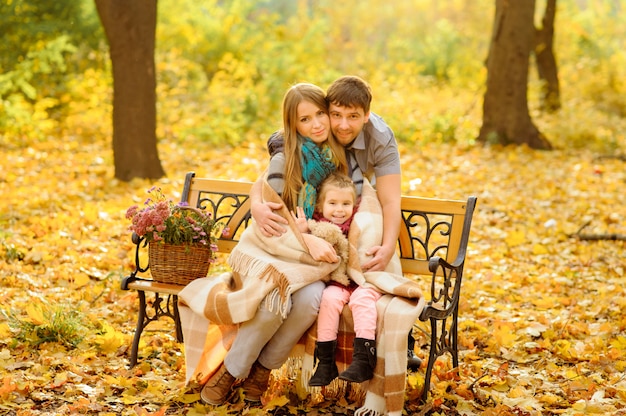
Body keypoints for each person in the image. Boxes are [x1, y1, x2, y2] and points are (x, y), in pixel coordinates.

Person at [199, 83, 355, 405]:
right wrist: (296, 233)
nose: (316, 124)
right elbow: (269, 197)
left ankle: (261, 371)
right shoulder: (287, 157)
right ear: (293, 126)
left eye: (320, 114)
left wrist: (312, 236)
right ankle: (231, 370)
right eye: (305, 120)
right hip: (276, 248)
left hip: (310, 263)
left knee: (310, 301)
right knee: (273, 303)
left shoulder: (335, 156)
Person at [258, 75, 423, 370]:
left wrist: (387, 246)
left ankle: (399, 342)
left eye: (353, 117)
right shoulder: (316, 134)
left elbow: (388, 200)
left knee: (373, 248)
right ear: (326, 110)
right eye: (336, 115)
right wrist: (257, 204)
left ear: (366, 115)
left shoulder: (380, 138)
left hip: (354, 207)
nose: (343, 125)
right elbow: (274, 162)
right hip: (319, 219)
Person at [292, 171, 382, 386]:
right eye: (333, 203)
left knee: (362, 300)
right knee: (329, 299)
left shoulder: (360, 223)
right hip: (338, 282)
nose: (340, 210)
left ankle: (363, 360)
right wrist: (304, 232)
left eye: (345, 204)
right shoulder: (318, 228)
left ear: (355, 205)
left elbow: (370, 237)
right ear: (321, 206)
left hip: (364, 281)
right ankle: (325, 363)